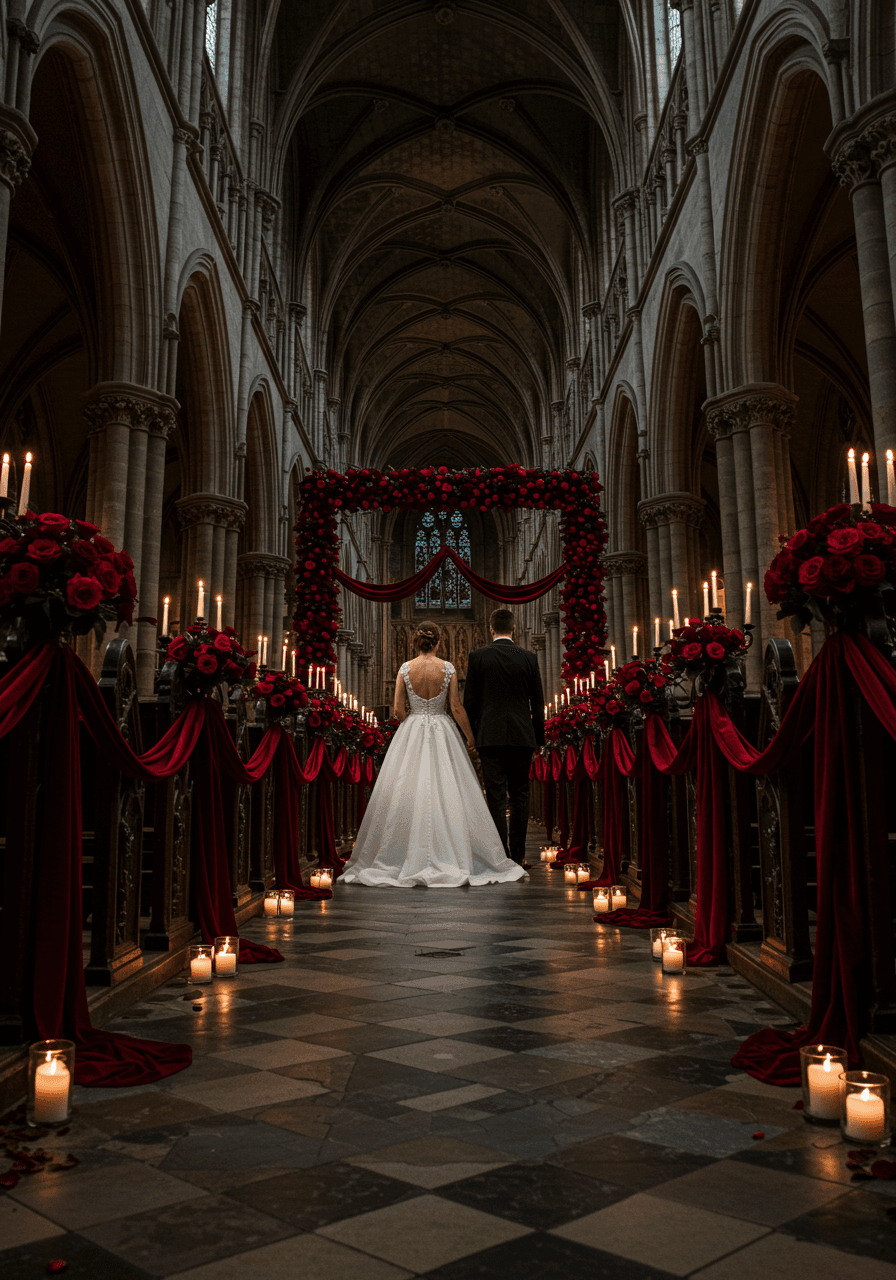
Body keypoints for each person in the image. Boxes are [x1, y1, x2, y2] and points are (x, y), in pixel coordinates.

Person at [341, 621, 527, 887]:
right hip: (443, 728)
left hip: (412, 728)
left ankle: (401, 854)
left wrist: (413, 719)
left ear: (415, 642)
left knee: (408, 787)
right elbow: (455, 706)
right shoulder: (448, 668)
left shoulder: (405, 668)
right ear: (439, 642)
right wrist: (470, 737)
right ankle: (453, 850)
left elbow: (398, 711)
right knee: (449, 788)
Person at [463, 607, 545, 870]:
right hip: (522, 736)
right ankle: (518, 857)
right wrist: (538, 737)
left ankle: (500, 857)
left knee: (496, 796)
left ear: (491, 629)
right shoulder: (528, 658)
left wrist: (474, 734)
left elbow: (470, 702)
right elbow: (537, 701)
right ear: (514, 629)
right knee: (520, 796)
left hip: (490, 737)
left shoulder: (478, 657)